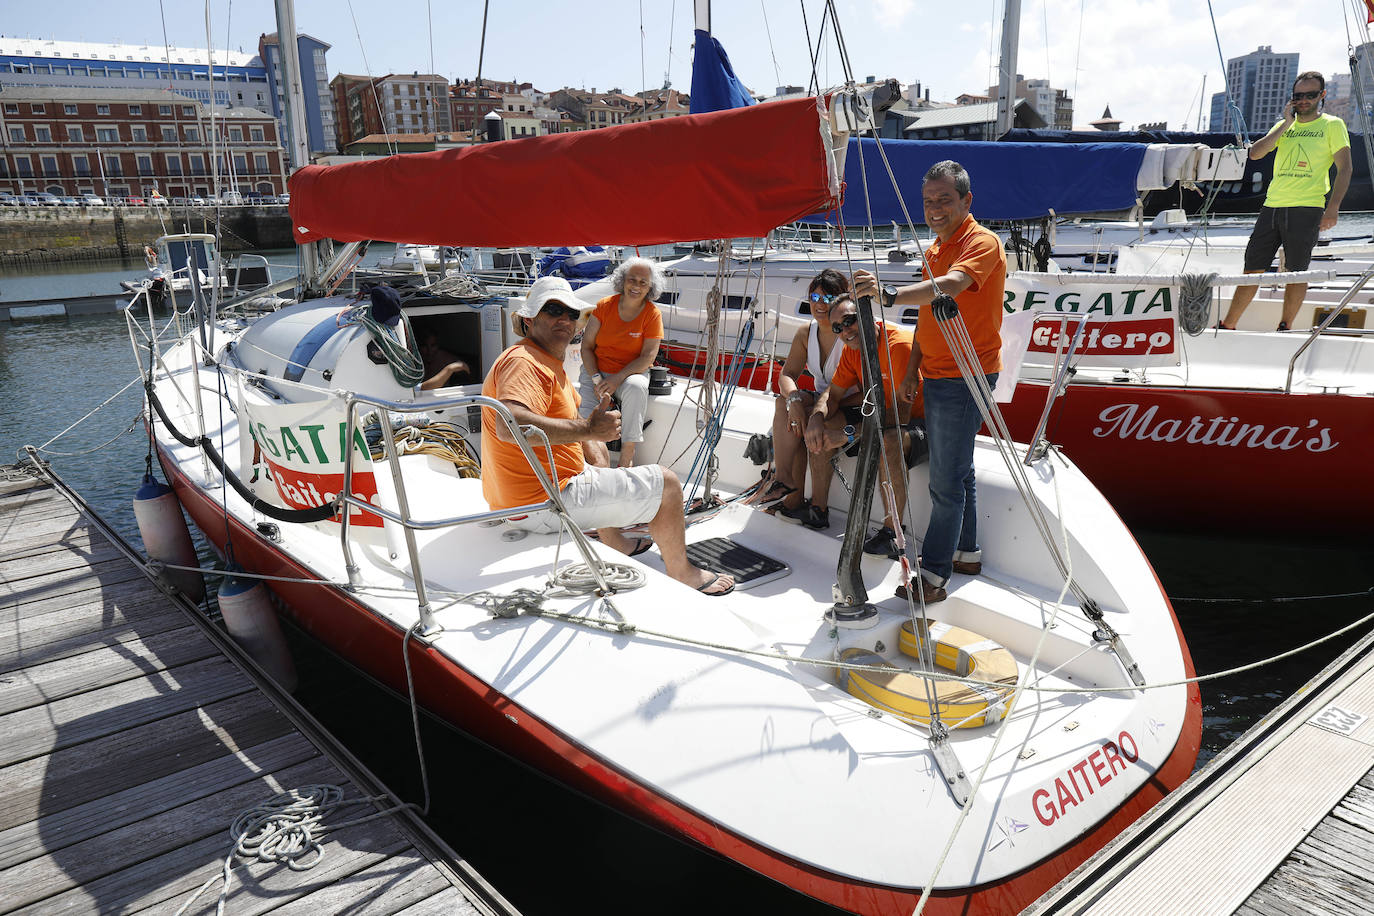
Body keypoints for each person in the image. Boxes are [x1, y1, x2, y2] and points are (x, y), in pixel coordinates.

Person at [481, 276, 734, 595]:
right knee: (667, 485)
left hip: (520, 501)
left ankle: (613, 539)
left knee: (595, 449)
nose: (565, 319)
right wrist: (588, 428)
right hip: (544, 503)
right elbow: (509, 425)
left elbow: (581, 435)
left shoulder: (543, 361)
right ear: (529, 319)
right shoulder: (524, 362)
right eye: (554, 310)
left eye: (572, 313)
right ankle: (683, 572)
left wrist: (591, 436)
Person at [853, 159, 1006, 604]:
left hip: (965, 374)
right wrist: (914, 369)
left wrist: (888, 295)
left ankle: (935, 576)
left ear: (966, 201)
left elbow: (953, 286)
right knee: (960, 474)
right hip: (938, 373)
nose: (935, 208)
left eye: (944, 200)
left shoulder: (982, 242)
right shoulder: (937, 247)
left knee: (945, 481)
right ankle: (967, 553)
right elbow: (928, 318)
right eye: (928, 201)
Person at [1221, 71, 1351, 332]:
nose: (1303, 100)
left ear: (1322, 95)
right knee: (1252, 269)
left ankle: (1285, 326)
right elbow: (1255, 154)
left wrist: (1333, 208)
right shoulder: (1284, 126)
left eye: (1310, 95)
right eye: (1298, 96)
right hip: (1272, 206)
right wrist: (1285, 124)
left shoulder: (1332, 125)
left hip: (1308, 207)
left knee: (1296, 271)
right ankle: (1228, 325)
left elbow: (1345, 168)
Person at [803, 296, 918, 548]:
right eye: (837, 327)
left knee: (888, 439)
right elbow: (832, 395)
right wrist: (816, 417)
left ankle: (892, 534)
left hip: (919, 422)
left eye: (849, 321)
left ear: (868, 317)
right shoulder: (851, 350)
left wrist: (848, 434)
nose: (845, 330)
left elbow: (899, 415)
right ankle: (818, 509)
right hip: (879, 415)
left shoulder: (898, 347)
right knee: (824, 426)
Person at [759, 269, 851, 529]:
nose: (819, 303)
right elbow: (787, 374)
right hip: (823, 398)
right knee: (783, 402)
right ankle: (786, 483)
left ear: (841, 299)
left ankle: (818, 507)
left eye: (827, 297)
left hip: (847, 400)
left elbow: (840, 386)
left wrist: (808, 410)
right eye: (814, 296)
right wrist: (794, 401)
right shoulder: (805, 332)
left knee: (814, 425)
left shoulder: (849, 332)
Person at [578, 257, 665, 467]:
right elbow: (586, 347)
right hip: (596, 372)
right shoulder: (604, 306)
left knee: (636, 387)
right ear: (622, 280)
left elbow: (648, 358)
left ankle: (627, 457)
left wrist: (617, 379)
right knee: (586, 416)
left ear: (650, 287)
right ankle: (590, 461)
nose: (636, 286)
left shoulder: (652, 314)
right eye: (632, 279)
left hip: (630, 375)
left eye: (643, 282)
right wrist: (597, 378)